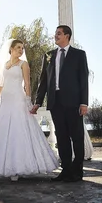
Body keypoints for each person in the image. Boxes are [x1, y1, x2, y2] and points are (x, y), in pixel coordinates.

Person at [0, 39, 59, 181]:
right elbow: (0, 84)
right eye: (18, 48)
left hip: (18, 100)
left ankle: (19, 167)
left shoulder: (24, 64)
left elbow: (27, 83)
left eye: (22, 48)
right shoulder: (5, 65)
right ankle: (2, 166)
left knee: (18, 130)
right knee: (4, 132)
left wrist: (28, 101)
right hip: (6, 101)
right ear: (11, 49)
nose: (21, 50)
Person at [31, 25, 89, 182]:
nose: (55, 36)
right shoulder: (48, 55)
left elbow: (83, 80)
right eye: (55, 34)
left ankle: (77, 172)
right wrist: (37, 102)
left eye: (58, 33)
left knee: (76, 137)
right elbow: (43, 82)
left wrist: (83, 103)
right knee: (62, 138)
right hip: (55, 103)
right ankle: (66, 171)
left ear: (67, 36)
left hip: (74, 103)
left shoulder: (79, 55)